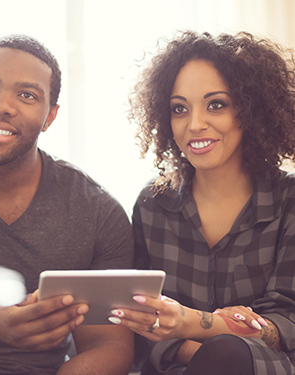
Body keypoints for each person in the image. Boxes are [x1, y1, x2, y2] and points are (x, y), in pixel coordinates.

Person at [0, 34, 134, 375]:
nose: (2, 105)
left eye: (27, 95)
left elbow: (108, 344)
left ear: (50, 116)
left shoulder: (96, 212)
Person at [107, 31, 295, 375]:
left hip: (261, 368)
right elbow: (141, 325)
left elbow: (287, 326)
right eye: (180, 109)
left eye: (216, 104)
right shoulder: (153, 204)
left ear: (250, 110)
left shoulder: (289, 201)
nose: (194, 124)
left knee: (230, 354)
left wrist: (192, 323)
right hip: (181, 368)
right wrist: (203, 350)